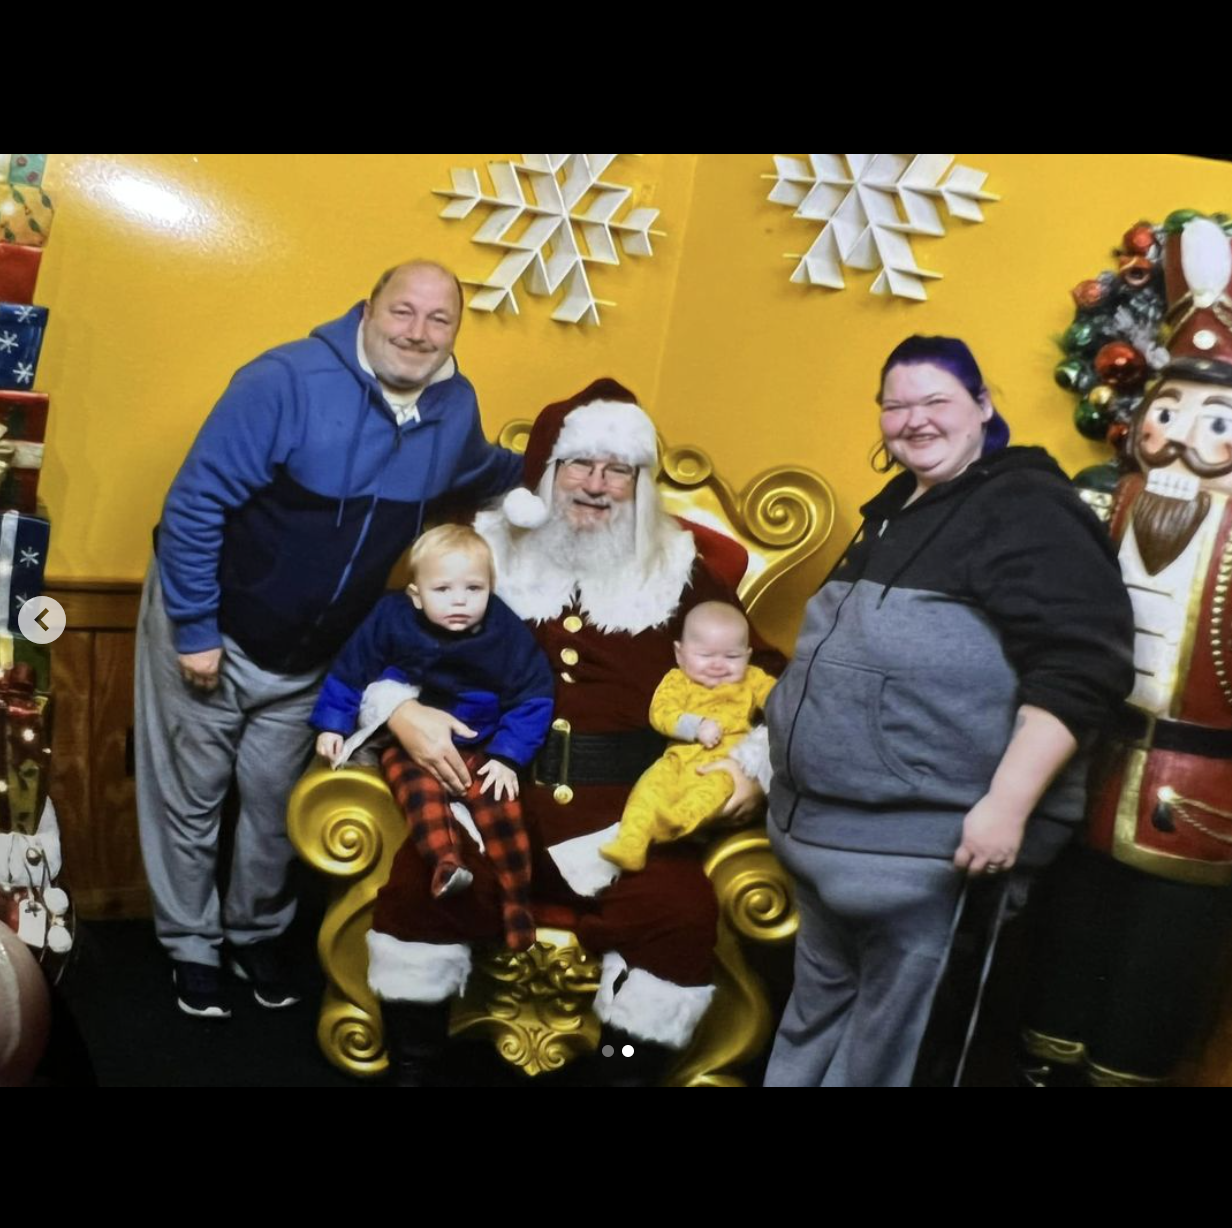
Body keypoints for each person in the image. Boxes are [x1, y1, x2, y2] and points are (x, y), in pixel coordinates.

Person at [355, 379, 782, 1085]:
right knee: (423, 887)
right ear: (547, 474)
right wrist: (400, 708)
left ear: (639, 483)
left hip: (623, 815)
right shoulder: (483, 559)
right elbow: (383, 644)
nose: (597, 484)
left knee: (677, 914)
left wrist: (748, 767)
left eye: (618, 469)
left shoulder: (682, 572)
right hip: (491, 795)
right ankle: (415, 1064)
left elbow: (769, 679)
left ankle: (623, 1070)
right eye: (581, 465)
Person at [136, 260, 523, 1019]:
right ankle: (189, 946)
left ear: (455, 333)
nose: (417, 332)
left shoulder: (454, 405)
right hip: (215, 623)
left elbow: (484, 468)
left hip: (312, 653)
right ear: (368, 309)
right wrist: (194, 628)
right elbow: (193, 505)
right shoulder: (282, 379)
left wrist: (566, 467)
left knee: (279, 805)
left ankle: (254, 936)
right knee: (192, 798)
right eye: (403, 311)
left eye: (439, 319)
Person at [764, 335, 1135, 1087]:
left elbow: (1083, 667)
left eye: (936, 401)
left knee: (893, 1064)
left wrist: (1007, 806)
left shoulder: (1026, 507)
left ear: (983, 405)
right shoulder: (899, 506)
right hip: (821, 843)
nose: (914, 421)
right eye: (895, 405)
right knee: (810, 1044)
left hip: (926, 860)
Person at [1023, 217, 1232, 1086]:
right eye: (1166, 408)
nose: (1178, 434)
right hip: (1083, 777)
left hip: (1203, 808)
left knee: (1154, 986)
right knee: (1058, 972)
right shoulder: (1101, 509)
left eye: (1213, 416)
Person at [310, 525, 554, 952]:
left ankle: (517, 904)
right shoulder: (390, 617)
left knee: (500, 804)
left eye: (473, 588)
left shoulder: (504, 630)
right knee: (419, 789)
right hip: (410, 743)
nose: (459, 600)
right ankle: (446, 863)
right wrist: (333, 725)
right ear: (416, 594)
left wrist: (508, 755)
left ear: (491, 590)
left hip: (482, 741)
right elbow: (351, 672)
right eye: (442, 589)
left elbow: (533, 694)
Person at [600, 602, 776, 871]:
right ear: (680, 654)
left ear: (748, 655)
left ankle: (669, 825)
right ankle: (630, 843)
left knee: (713, 792)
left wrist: (763, 762)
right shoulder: (677, 680)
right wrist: (695, 726)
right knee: (648, 790)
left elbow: (785, 704)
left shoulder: (752, 679)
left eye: (732, 656)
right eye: (705, 655)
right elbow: (661, 713)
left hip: (725, 761)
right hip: (677, 759)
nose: (718, 665)